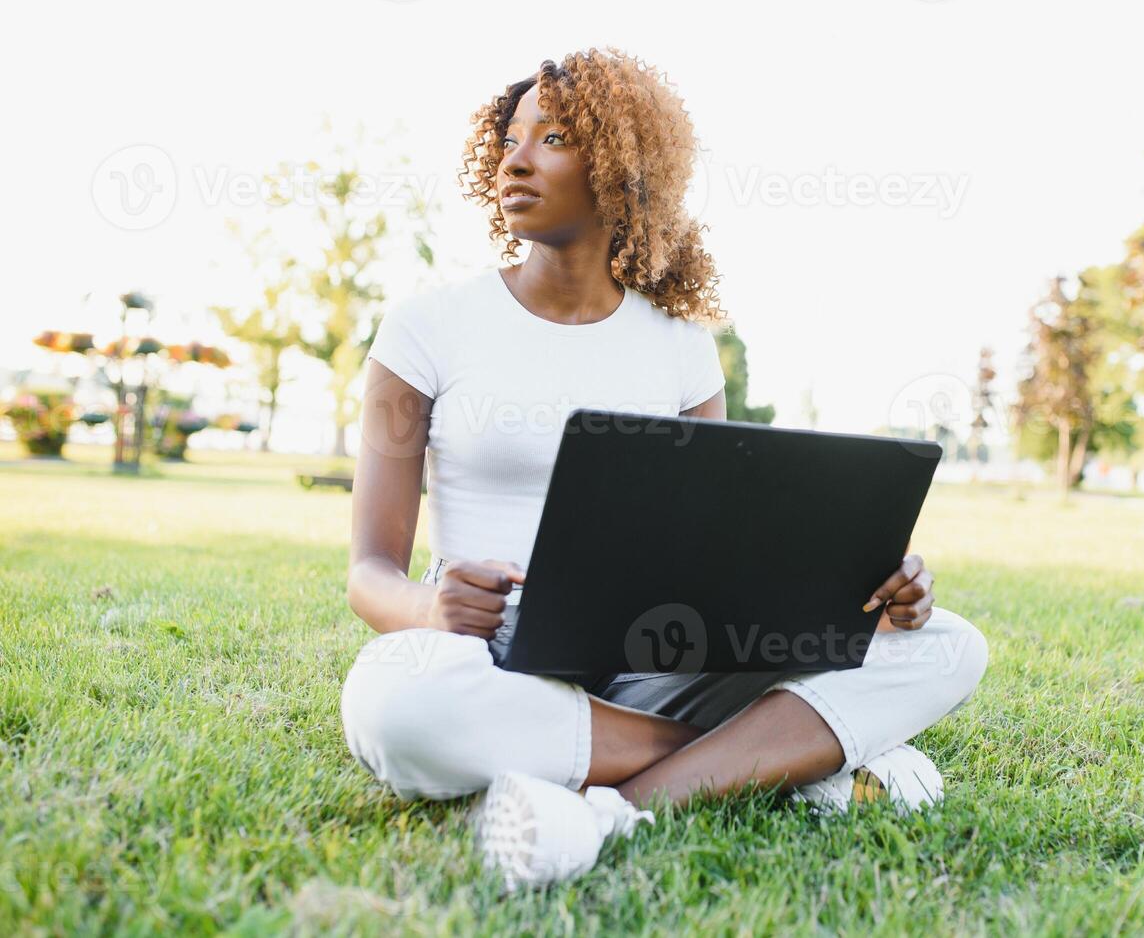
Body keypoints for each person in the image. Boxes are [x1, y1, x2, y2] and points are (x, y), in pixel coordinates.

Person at [340, 46, 990, 892]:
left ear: (619, 166)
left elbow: (724, 553)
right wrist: (432, 604)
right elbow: (368, 572)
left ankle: (615, 811)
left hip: (655, 657)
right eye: (510, 136)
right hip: (489, 654)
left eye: (555, 136)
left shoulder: (682, 349)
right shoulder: (426, 327)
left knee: (947, 647)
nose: (516, 157)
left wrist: (871, 589)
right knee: (395, 707)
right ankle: (775, 759)